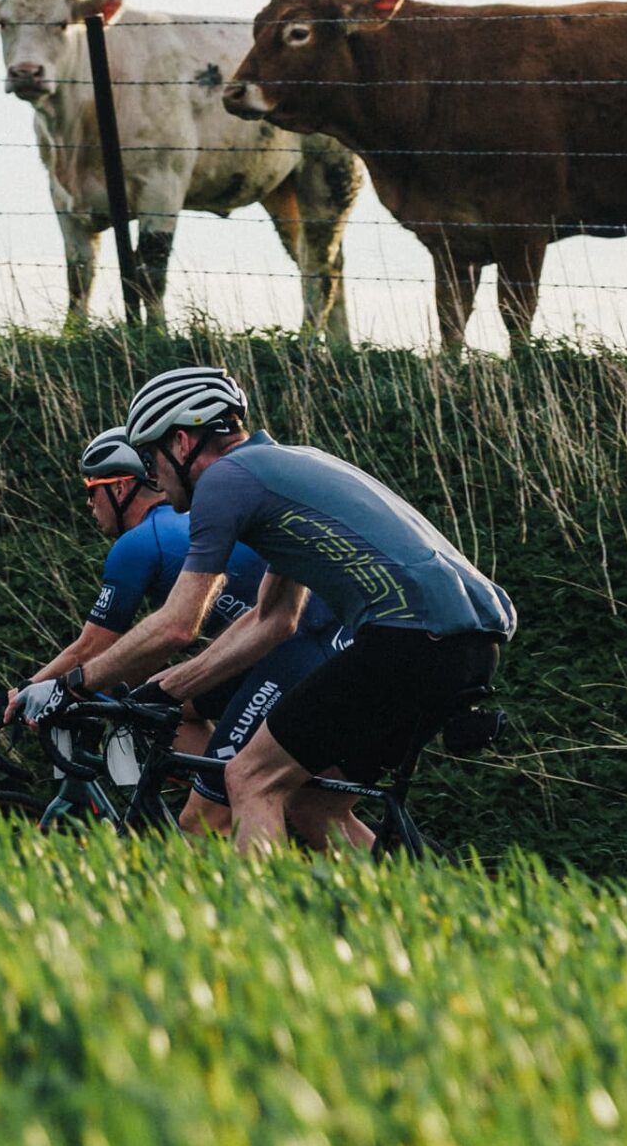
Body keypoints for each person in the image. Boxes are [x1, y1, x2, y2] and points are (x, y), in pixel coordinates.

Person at [39, 366, 514, 854]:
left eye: (149, 455)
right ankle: (409, 916)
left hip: (408, 638)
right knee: (313, 805)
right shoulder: (280, 467)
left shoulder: (226, 480)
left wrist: (71, 686)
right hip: (465, 645)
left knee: (249, 778)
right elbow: (274, 621)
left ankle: (262, 927)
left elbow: (177, 625)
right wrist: (165, 689)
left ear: (181, 442)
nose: (151, 475)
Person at [13, 426, 335, 835]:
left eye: (91, 488)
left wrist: (22, 692)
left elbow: (91, 648)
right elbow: (134, 658)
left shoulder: (139, 544)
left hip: (293, 645)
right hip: (286, 642)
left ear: (123, 486)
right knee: (165, 708)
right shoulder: (175, 525)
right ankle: (231, 798)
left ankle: (232, 821)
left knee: (202, 821)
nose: (88, 503)